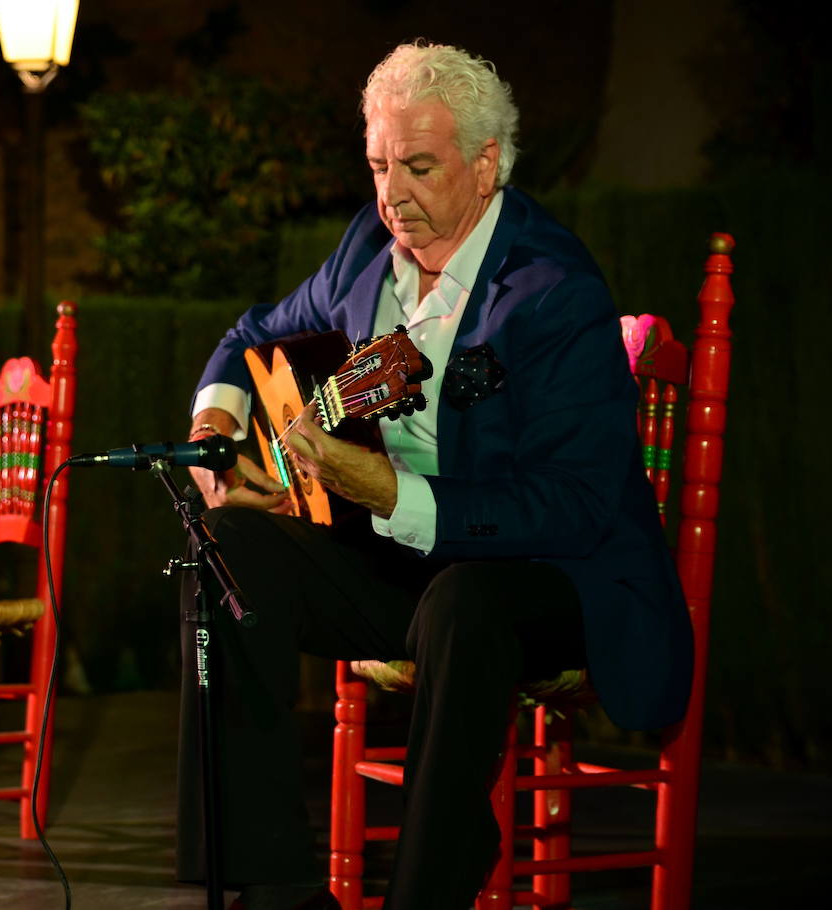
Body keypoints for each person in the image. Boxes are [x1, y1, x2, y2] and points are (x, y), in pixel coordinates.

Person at [178, 43, 693, 910]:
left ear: (485, 165)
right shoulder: (362, 252)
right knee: (226, 549)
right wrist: (217, 420)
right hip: (408, 566)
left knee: (467, 603)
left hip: (548, 576)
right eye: (379, 165)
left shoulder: (552, 289)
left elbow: (577, 504)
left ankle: (427, 894)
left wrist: (387, 492)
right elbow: (252, 332)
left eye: (418, 167)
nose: (392, 195)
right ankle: (270, 888)